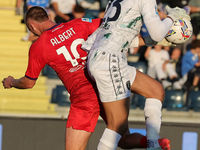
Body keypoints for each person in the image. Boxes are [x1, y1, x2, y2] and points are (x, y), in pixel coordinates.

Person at [2, 6, 170, 150]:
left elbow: (29, 82)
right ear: (49, 17)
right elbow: (109, 28)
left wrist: (12, 82)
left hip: (84, 98)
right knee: (122, 138)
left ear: (31, 25)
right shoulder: (79, 24)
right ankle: (153, 142)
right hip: (107, 84)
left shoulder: (39, 46)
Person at [82, 0, 190, 149]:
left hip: (106, 56)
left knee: (155, 90)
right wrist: (171, 18)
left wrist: (150, 41)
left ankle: (153, 145)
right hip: (109, 59)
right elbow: (158, 32)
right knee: (117, 126)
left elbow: (119, 37)